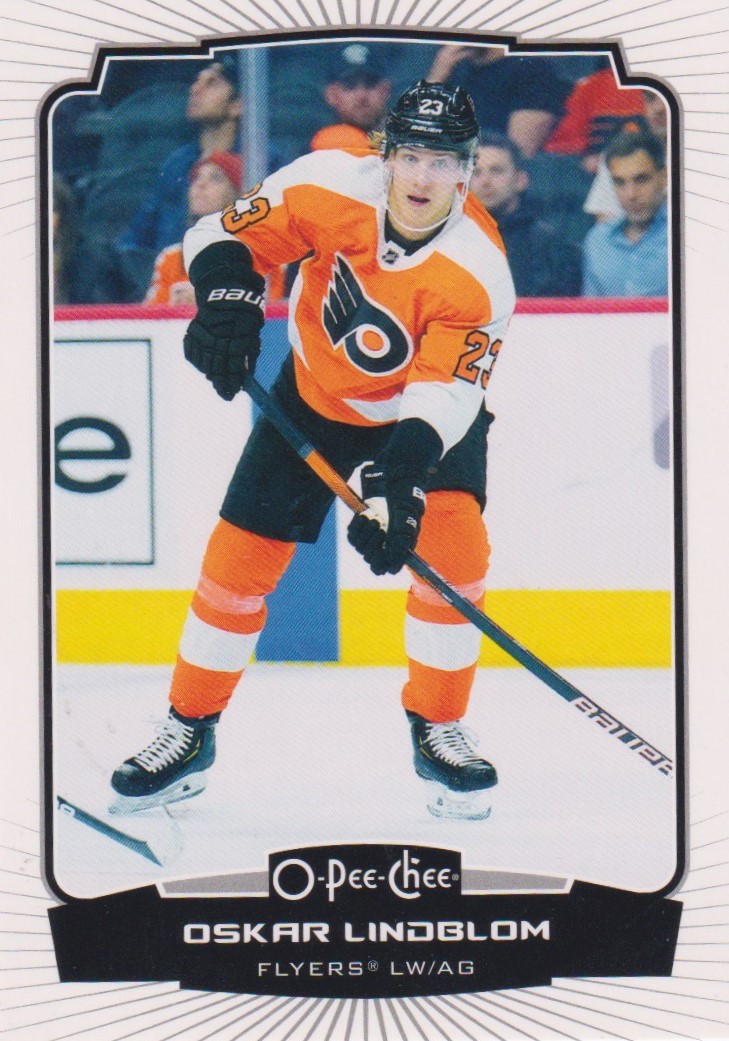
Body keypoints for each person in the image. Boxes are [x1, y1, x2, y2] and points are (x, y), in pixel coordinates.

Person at [109, 81, 516, 822]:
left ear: (467, 170)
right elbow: (218, 235)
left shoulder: (479, 271)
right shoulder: (327, 183)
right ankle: (189, 730)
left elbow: (445, 397)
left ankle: (438, 728)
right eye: (410, 156)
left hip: (416, 422)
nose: (422, 177)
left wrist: (401, 482)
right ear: (384, 155)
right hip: (313, 396)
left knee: (455, 559)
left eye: (443, 162)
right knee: (234, 569)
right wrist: (227, 299)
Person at [115, 57, 243, 298]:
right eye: (196, 82)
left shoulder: (260, 160)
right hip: (168, 285)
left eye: (212, 83)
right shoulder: (178, 162)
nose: (195, 89)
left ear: (237, 105)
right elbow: (136, 239)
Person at [470, 134, 581, 297]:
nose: (485, 181)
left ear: (521, 180)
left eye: (496, 171)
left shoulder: (551, 247)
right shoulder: (450, 242)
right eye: (476, 173)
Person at [427, 45, 570, 158]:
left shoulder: (533, 70)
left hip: (487, 175)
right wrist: (436, 79)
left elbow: (518, 155)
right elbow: (418, 135)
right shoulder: (453, 70)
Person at [145, 151, 243, 306]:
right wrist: (172, 306)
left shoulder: (262, 255)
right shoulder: (171, 257)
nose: (200, 184)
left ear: (237, 195)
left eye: (216, 178)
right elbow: (148, 315)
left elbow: (272, 314)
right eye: (197, 177)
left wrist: (206, 301)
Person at [582, 130, 668, 297]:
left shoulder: (686, 236)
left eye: (641, 180)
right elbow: (590, 311)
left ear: (664, 177)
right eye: (619, 182)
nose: (630, 195)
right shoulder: (597, 241)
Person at [310, 43, 392, 152]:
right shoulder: (317, 151)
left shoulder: (408, 145)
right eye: (350, 86)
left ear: (385, 90)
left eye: (370, 84)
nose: (361, 95)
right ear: (332, 95)